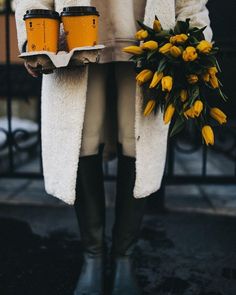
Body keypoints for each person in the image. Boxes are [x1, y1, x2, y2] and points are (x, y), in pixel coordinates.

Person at [15, 0, 213, 294]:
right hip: (71, 39)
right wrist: (33, 25)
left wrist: (196, 35)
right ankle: (92, 256)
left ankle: (123, 257)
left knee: (138, 144)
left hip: (150, 40)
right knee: (82, 140)